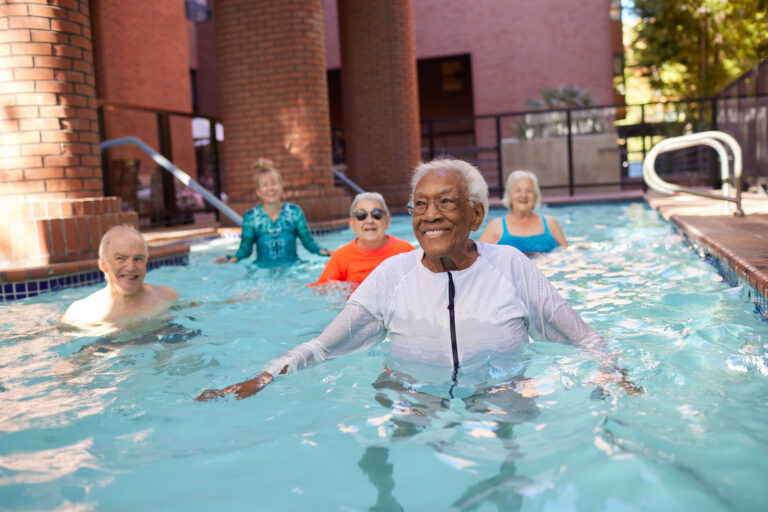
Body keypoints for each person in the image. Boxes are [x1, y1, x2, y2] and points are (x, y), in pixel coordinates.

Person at [197, 158, 640, 401]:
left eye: (446, 202)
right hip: (415, 401)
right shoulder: (392, 275)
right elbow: (323, 345)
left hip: (503, 397)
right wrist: (265, 375)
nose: (430, 216)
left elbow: (587, 338)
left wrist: (610, 373)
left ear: (476, 214)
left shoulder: (510, 266)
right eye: (420, 205)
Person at [213, 158, 331, 266]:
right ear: (258, 191)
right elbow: (245, 250)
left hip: (292, 268)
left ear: (281, 186)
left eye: (274, 183)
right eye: (265, 185)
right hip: (262, 271)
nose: (270, 189)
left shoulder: (295, 212)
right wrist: (232, 258)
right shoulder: (251, 217)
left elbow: (309, 244)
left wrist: (325, 252)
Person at [61, 225, 178, 329]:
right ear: (103, 265)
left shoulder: (166, 297)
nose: (131, 267)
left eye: (138, 259)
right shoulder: (82, 313)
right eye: (121, 259)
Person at [311, 192, 414, 288]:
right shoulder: (340, 257)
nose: (369, 221)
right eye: (361, 215)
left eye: (376, 214)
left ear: (386, 220)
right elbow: (320, 290)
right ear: (352, 224)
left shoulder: (406, 252)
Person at [478, 170, 567, 253]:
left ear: (535, 195)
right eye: (517, 190)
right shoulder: (495, 226)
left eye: (529, 191)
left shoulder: (551, 223)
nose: (523, 195)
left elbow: (566, 254)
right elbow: (479, 259)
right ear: (509, 195)